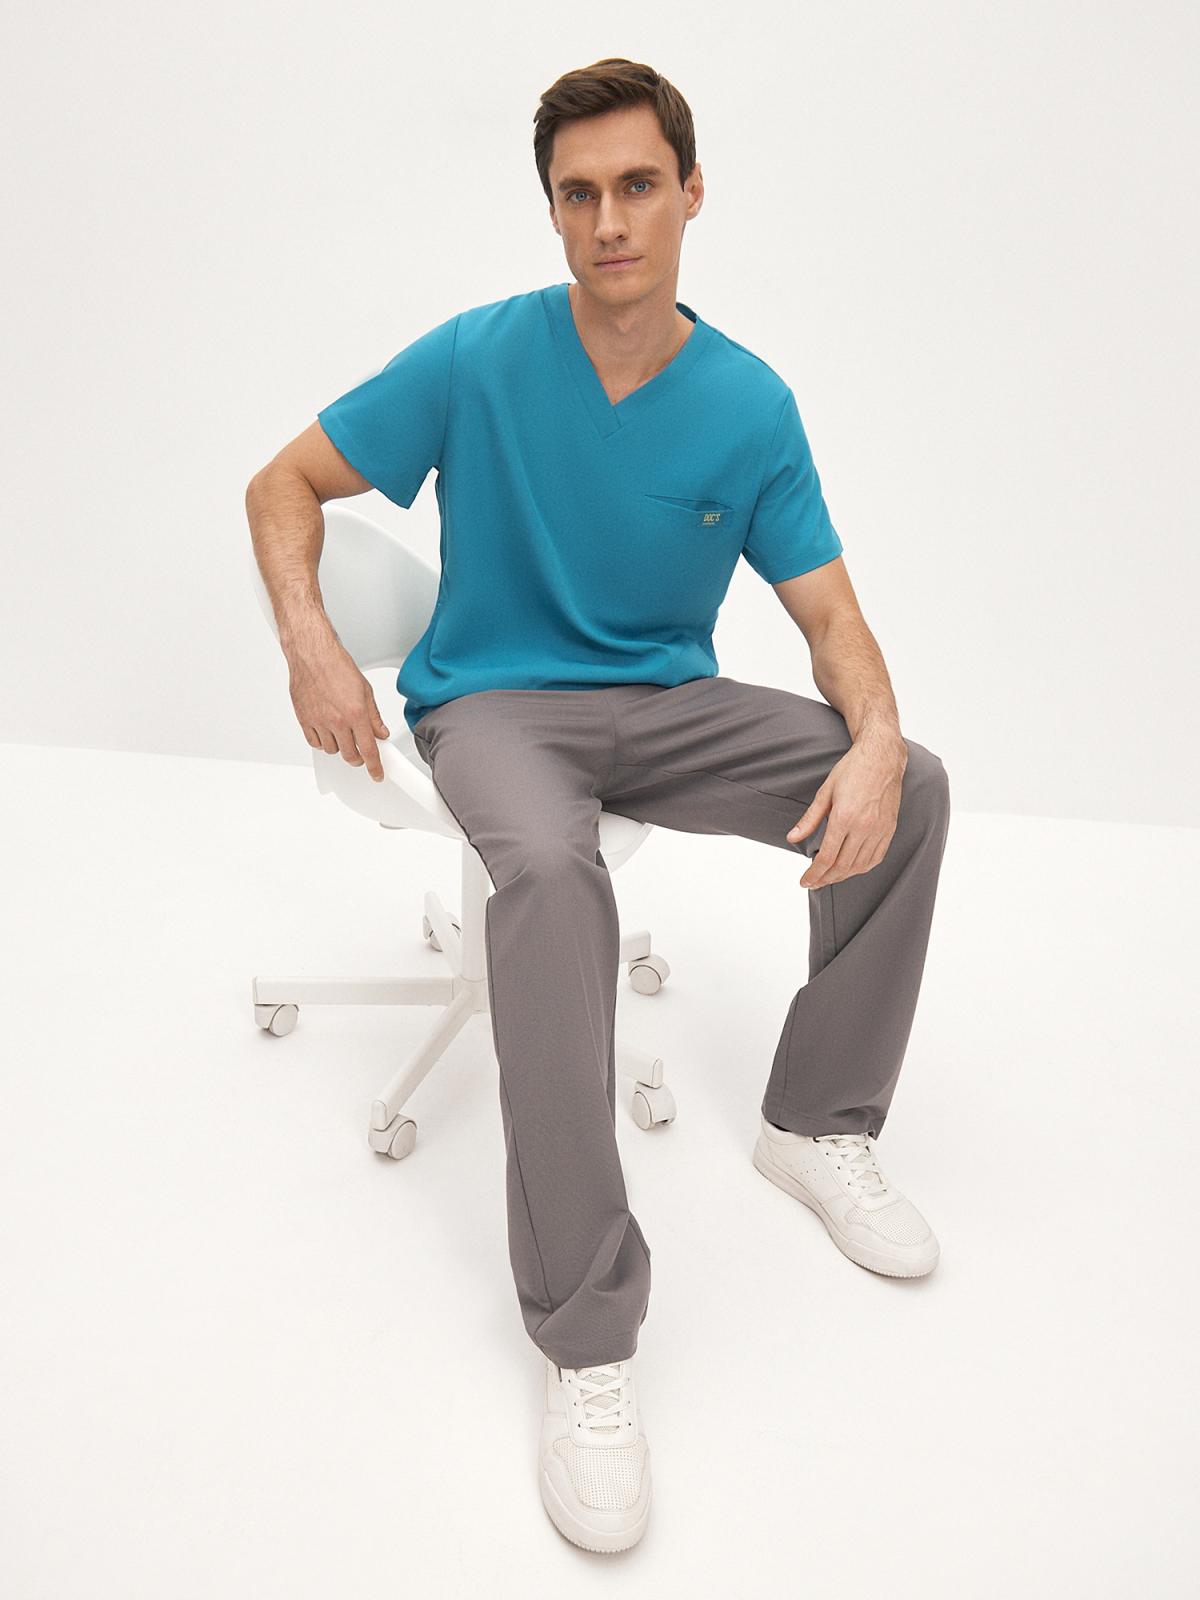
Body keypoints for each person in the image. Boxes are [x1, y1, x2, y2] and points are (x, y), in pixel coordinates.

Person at [245, 57, 951, 1555]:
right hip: (496, 704)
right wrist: (312, 642)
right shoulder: (478, 358)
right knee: (559, 882)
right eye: (580, 194)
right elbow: (282, 485)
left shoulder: (747, 404)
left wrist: (877, 735)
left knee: (913, 783)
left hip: (669, 709)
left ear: (691, 193)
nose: (610, 219)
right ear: (554, 211)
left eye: (638, 186)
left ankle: (815, 1122)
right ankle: (586, 1337)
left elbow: (831, 620)